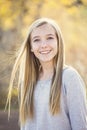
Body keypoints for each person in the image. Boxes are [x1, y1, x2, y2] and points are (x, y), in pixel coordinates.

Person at [6, 18, 87, 130]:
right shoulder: (26, 82)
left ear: (58, 42)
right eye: (36, 40)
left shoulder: (69, 78)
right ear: (31, 47)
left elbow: (80, 126)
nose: (43, 45)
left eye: (49, 38)